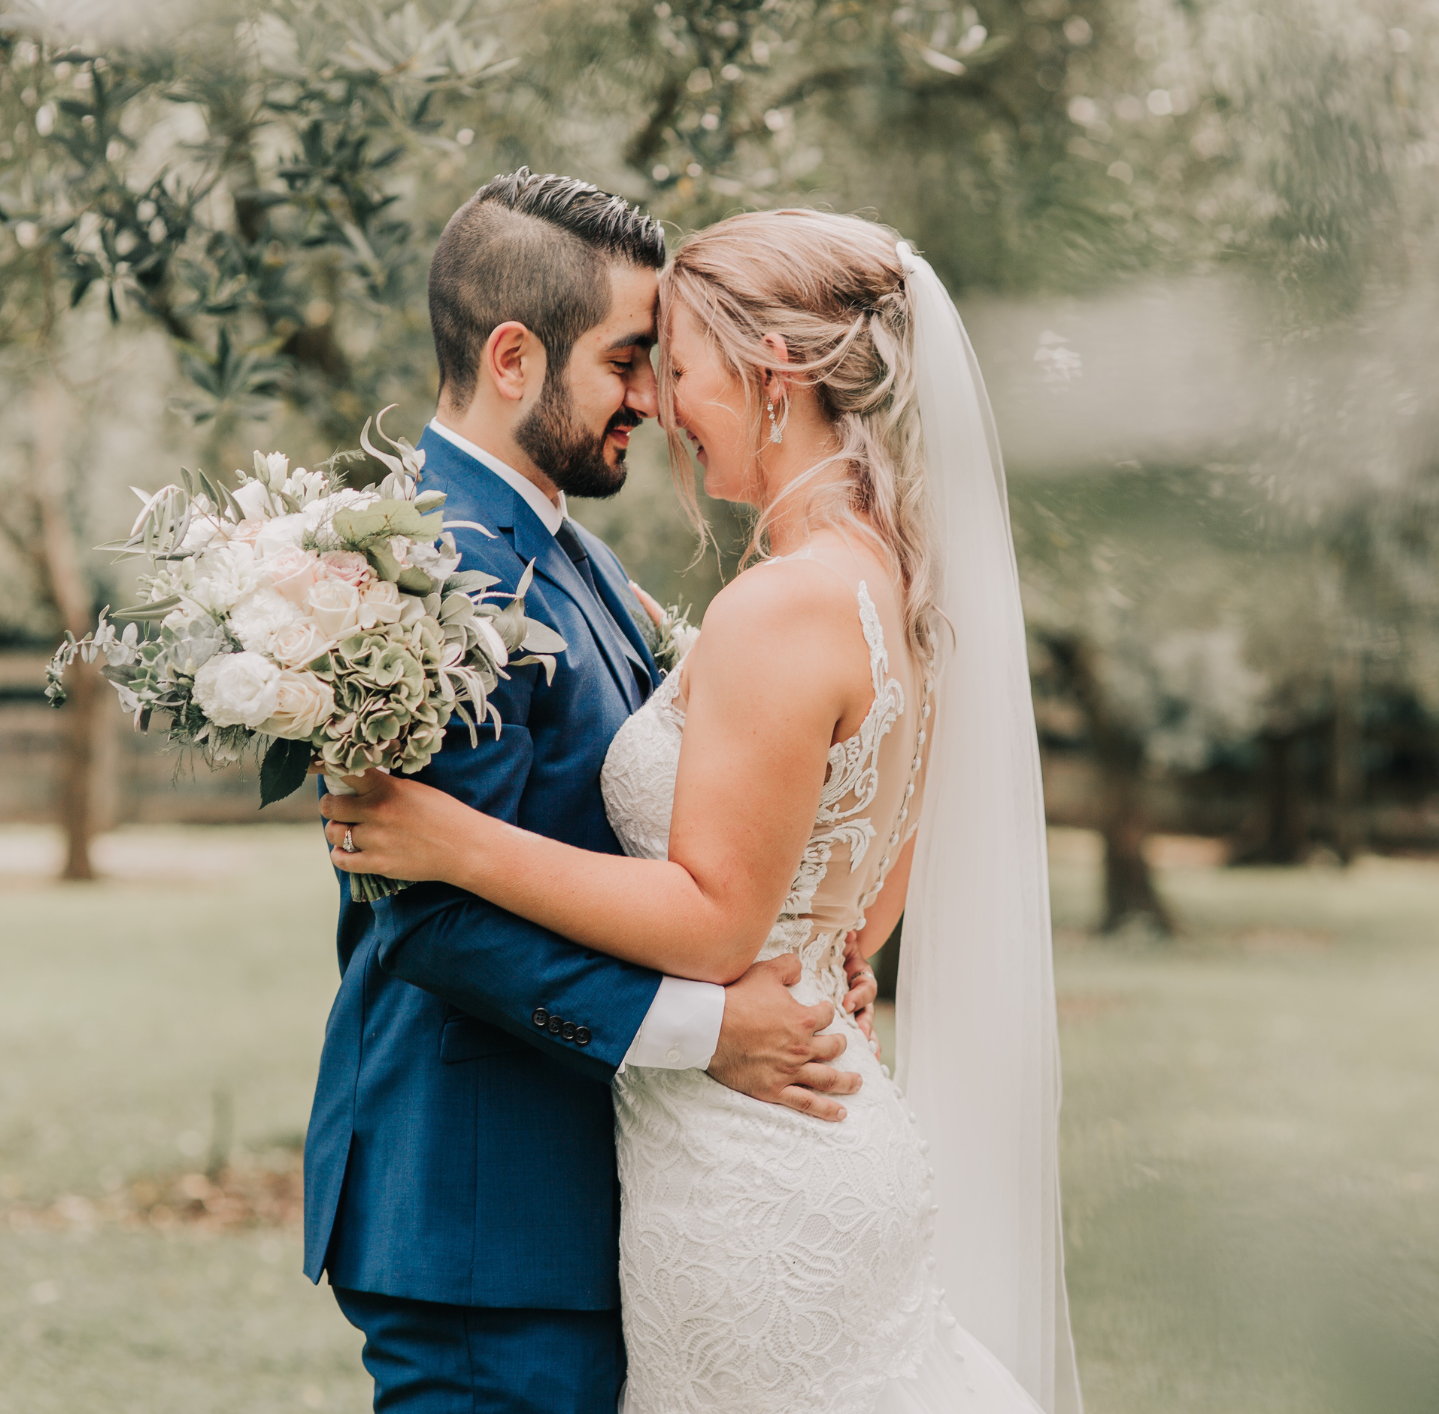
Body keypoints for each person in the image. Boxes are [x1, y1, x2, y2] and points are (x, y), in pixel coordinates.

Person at [322, 207, 1084, 1413]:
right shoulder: (446, 564)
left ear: (770, 373)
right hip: (507, 1197)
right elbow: (426, 921)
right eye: (632, 362)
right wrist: (764, 985)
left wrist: (468, 847)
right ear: (514, 357)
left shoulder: (736, 590)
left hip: (735, 1163)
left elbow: (722, 909)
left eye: (667, 363)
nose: (658, 403)